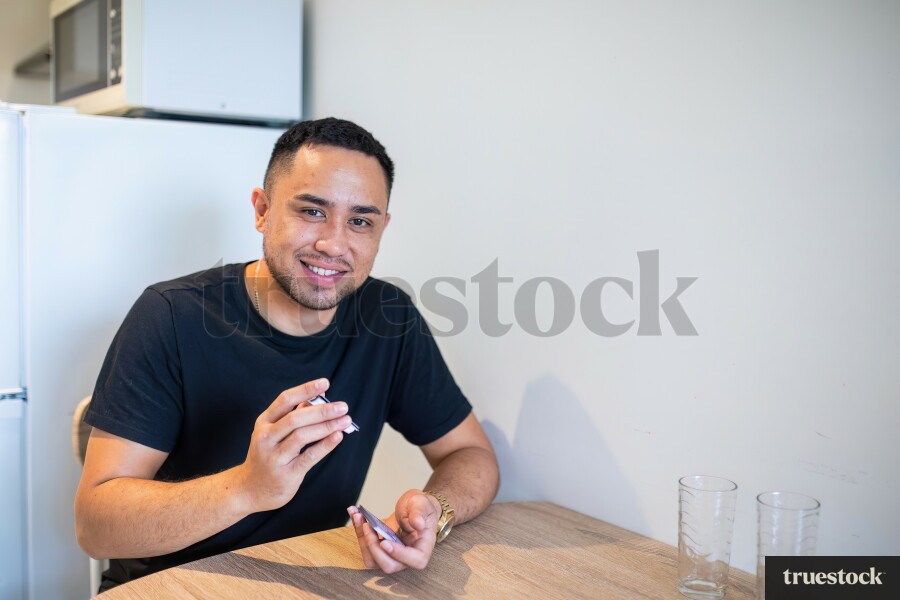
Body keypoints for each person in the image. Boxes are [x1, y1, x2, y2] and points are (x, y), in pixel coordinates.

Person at [74, 117, 500, 591]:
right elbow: (95, 525)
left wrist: (435, 510)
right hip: (170, 586)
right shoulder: (171, 317)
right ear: (262, 210)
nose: (333, 244)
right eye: (312, 211)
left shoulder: (388, 318)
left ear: (381, 230)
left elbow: (469, 452)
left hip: (308, 580)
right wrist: (247, 488)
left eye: (360, 221)